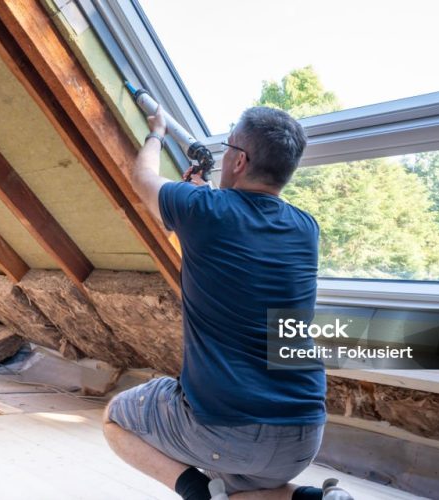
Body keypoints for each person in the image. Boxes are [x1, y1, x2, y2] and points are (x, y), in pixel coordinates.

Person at [103, 105, 328, 500]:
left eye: (227, 149)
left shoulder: (202, 210)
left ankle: (198, 494)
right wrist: (199, 197)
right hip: (303, 432)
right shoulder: (306, 228)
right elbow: (238, 240)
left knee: (116, 418)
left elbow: (142, 178)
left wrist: (156, 132)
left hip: (229, 429)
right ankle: (308, 498)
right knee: (237, 487)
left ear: (239, 160)